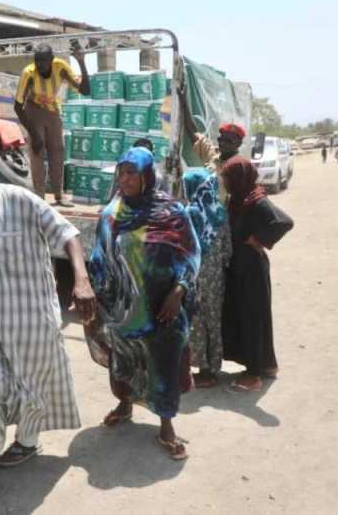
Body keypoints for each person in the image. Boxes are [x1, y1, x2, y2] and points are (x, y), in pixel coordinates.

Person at [0, 136, 96, 482]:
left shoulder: (19, 200)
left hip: (31, 317)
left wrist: (81, 279)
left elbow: (68, 233)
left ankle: (27, 442)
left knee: (32, 387)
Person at [84, 147, 201, 460]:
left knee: (163, 363)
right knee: (122, 360)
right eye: (121, 172)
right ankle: (125, 404)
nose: (124, 179)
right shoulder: (111, 213)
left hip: (162, 307)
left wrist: (179, 291)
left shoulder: (173, 212)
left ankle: (166, 424)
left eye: (131, 172)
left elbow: (192, 253)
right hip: (121, 309)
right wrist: (93, 292)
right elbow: (98, 255)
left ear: (148, 175)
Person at [221, 157, 293, 391]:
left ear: (240, 178)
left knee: (253, 318)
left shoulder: (256, 200)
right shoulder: (239, 200)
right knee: (251, 316)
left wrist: (258, 239)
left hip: (252, 268)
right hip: (240, 268)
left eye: (228, 177)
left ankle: (253, 376)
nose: (225, 181)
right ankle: (267, 365)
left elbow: (283, 221)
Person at [14, 43, 91, 207]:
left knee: (58, 150)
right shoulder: (29, 73)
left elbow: (85, 90)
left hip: (52, 110)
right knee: (37, 152)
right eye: (37, 61)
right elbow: (17, 106)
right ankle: (39, 197)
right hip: (33, 109)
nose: (39, 65)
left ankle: (59, 195)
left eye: (43, 61)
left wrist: (81, 62)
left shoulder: (60, 68)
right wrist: (34, 134)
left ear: (51, 60)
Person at [183, 168, 232, 388]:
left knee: (197, 322)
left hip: (195, 276)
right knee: (214, 320)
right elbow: (227, 250)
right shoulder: (220, 211)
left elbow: (184, 247)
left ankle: (203, 371)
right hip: (216, 277)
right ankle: (213, 367)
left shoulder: (189, 212)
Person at [178, 85, 246, 202]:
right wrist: (184, 103)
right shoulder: (212, 155)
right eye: (221, 139)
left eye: (228, 141)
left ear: (238, 144)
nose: (223, 144)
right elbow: (193, 132)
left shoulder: (241, 167)